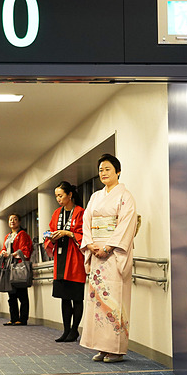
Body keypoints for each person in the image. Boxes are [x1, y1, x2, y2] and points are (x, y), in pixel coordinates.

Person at [81, 154, 137, 363]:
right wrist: (91, 245)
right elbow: (86, 222)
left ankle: (116, 348)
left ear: (118, 172)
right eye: (101, 170)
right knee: (98, 302)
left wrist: (108, 246)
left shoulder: (126, 197)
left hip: (114, 254)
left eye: (107, 169)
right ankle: (102, 347)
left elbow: (126, 225)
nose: (103, 173)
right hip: (97, 252)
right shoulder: (95, 197)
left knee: (115, 299)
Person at [43, 181, 86, 342]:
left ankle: (75, 330)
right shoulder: (56, 213)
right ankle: (66, 330)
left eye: (61, 196)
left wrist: (68, 233)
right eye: (56, 196)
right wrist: (51, 237)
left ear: (70, 195)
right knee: (64, 297)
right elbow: (51, 230)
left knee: (76, 297)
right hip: (60, 259)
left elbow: (84, 235)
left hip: (75, 259)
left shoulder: (80, 212)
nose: (58, 199)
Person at [0, 213, 33, 326]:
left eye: (15, 219)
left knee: (22, 294)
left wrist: (12, 254)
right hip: (9, 267)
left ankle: (23, 319)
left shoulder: (22, 234)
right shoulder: (8, 236)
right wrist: (3, 252)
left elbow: (25, 250)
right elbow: (4, 248)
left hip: (19, 268)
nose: (12, 222)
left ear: (19, 222)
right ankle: (13, 318)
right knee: (11, 295)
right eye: (10, 220)